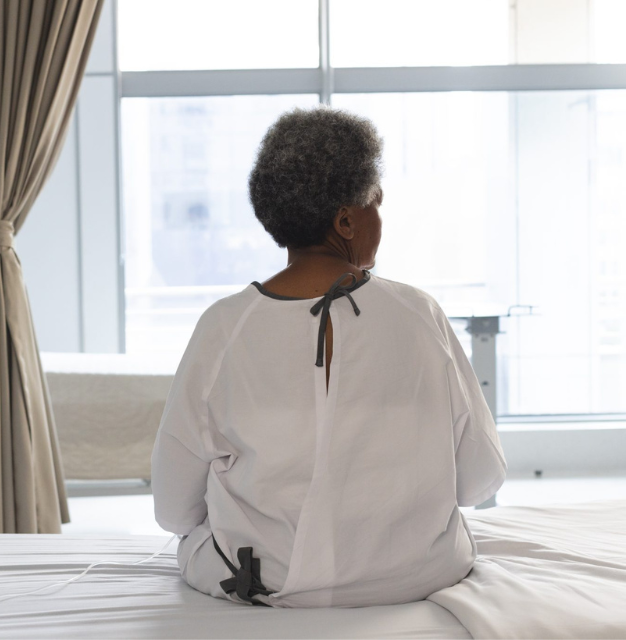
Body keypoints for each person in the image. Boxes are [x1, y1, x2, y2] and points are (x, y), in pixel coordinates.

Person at [150, 106, 506, 608]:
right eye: (376, 205)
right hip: (419, 576)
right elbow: (480, 480)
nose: (380, 220)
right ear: (345, 219)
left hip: (269, 581)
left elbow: (173, 509)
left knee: (196, 540)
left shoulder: (225, 327)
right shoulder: (420, 314)